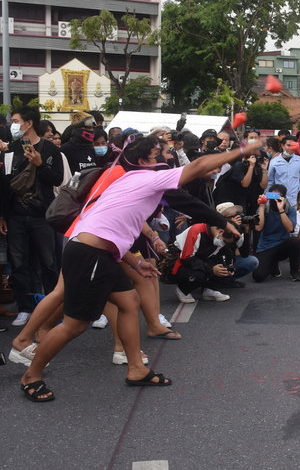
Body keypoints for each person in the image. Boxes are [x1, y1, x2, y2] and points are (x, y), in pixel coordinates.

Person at [18, 135, 264, 402]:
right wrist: (240, 151)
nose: (167, 158)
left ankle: (136, 369)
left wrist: (135, 262)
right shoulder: (148, 178)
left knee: (128, 303)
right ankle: (31, 375)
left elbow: (111, 228)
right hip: (89, 255)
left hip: (99, 252)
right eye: (162, 153)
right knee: (75, 325)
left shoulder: (132, 182)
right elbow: (199, 165)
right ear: (145, 161)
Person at [1, 106, 64, 327]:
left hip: (42, 215)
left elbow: (57, 180)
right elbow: (5, 183)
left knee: (48, 262)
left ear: (29, 123)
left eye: (16, 120)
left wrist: (39, 165)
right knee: (19, 264)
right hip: (16, 216)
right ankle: (25, 307)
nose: (13, 124)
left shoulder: (50, 149)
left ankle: (52, 307)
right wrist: (3, 215)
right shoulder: (10, 149)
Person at [252, 184, 300, 282]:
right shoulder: (264, 208)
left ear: (284, 197)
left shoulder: (290, 209)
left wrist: (281, 210)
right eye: (272, 196)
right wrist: (262, 206)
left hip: (282, 244)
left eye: (278, 196)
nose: (274, 199)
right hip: (266, 245)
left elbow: (290, 229)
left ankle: (295, 271)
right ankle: (273, 264)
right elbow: (258, 228)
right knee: (258, 276)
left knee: (294, 242)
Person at [267, 135, 300, 206]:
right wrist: (269, 197)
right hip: (278, 198)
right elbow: (270, 181)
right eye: (288, 145)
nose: (291, 148)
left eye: (293, 145)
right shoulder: (274, 161)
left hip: (295, 198)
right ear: (282, 145)